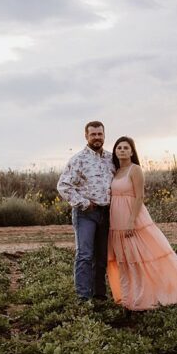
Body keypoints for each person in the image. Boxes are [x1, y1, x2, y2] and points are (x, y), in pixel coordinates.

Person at [107, 136, 177, 310]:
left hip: (132, 219)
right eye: (119, 148)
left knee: (140, 257)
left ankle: (148, 296)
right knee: (124, 260)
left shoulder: (135, 170)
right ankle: (129, 298)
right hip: (115, 221)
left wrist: (131, 221)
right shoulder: (115, 171)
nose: (122, 150)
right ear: (115, 151)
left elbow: (139, 197)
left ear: (132, 152)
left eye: (126, 148)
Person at [57, 121, 115, 302]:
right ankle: (83, 297)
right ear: (86, 136)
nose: (97, 137)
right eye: (93, 134)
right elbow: (63, 186)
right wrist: (83, 203)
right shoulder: (78, 159)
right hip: (86, 214)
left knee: (101, 256)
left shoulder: (111, 159)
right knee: (85, 254)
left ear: (104, 135)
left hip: (106, 213)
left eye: (100, 134)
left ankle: (99, 295)